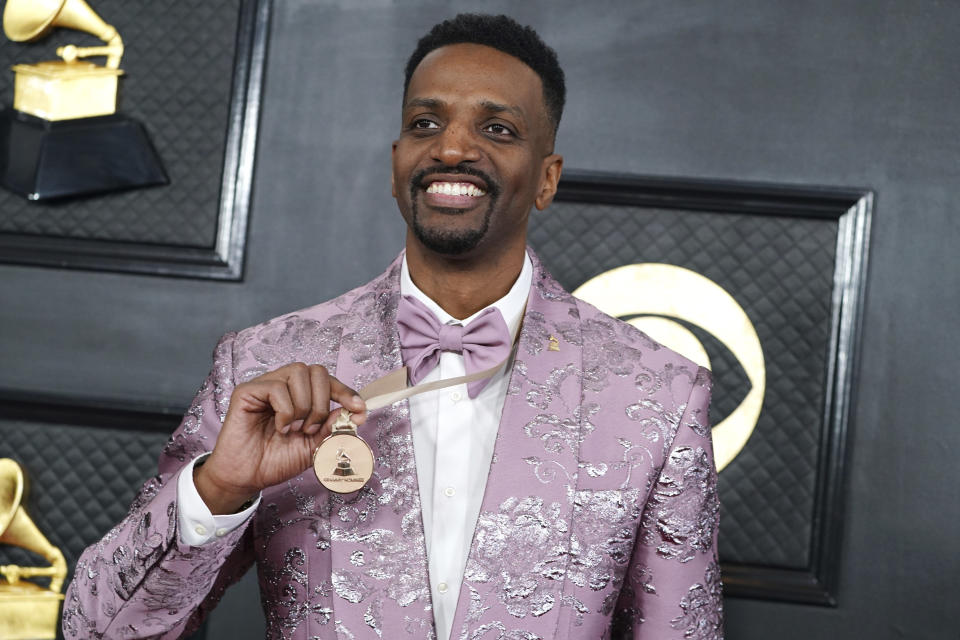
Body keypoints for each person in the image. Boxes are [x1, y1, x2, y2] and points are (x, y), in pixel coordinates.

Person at [62, 13, 722, 640]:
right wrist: (220, 487)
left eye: (497, 130)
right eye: (426, 122)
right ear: (396, 161)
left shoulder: (659, 395)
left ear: (547, 179)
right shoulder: (261, 364)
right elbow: (98, 629)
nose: (454, 146)